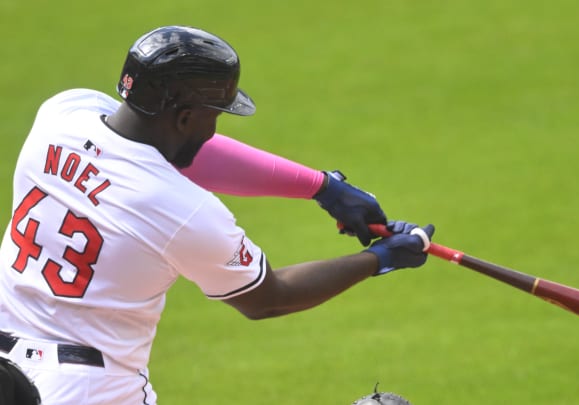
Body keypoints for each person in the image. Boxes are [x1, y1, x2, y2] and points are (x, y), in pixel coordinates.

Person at [0, 25, 434, 404]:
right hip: (88, 390)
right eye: (214, 116)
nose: (215, 128)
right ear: (186, 116)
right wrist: (382, 258)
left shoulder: (62, 114)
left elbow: (172, 155)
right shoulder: (184, 212)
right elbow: (268, 298)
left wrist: (320, 186)